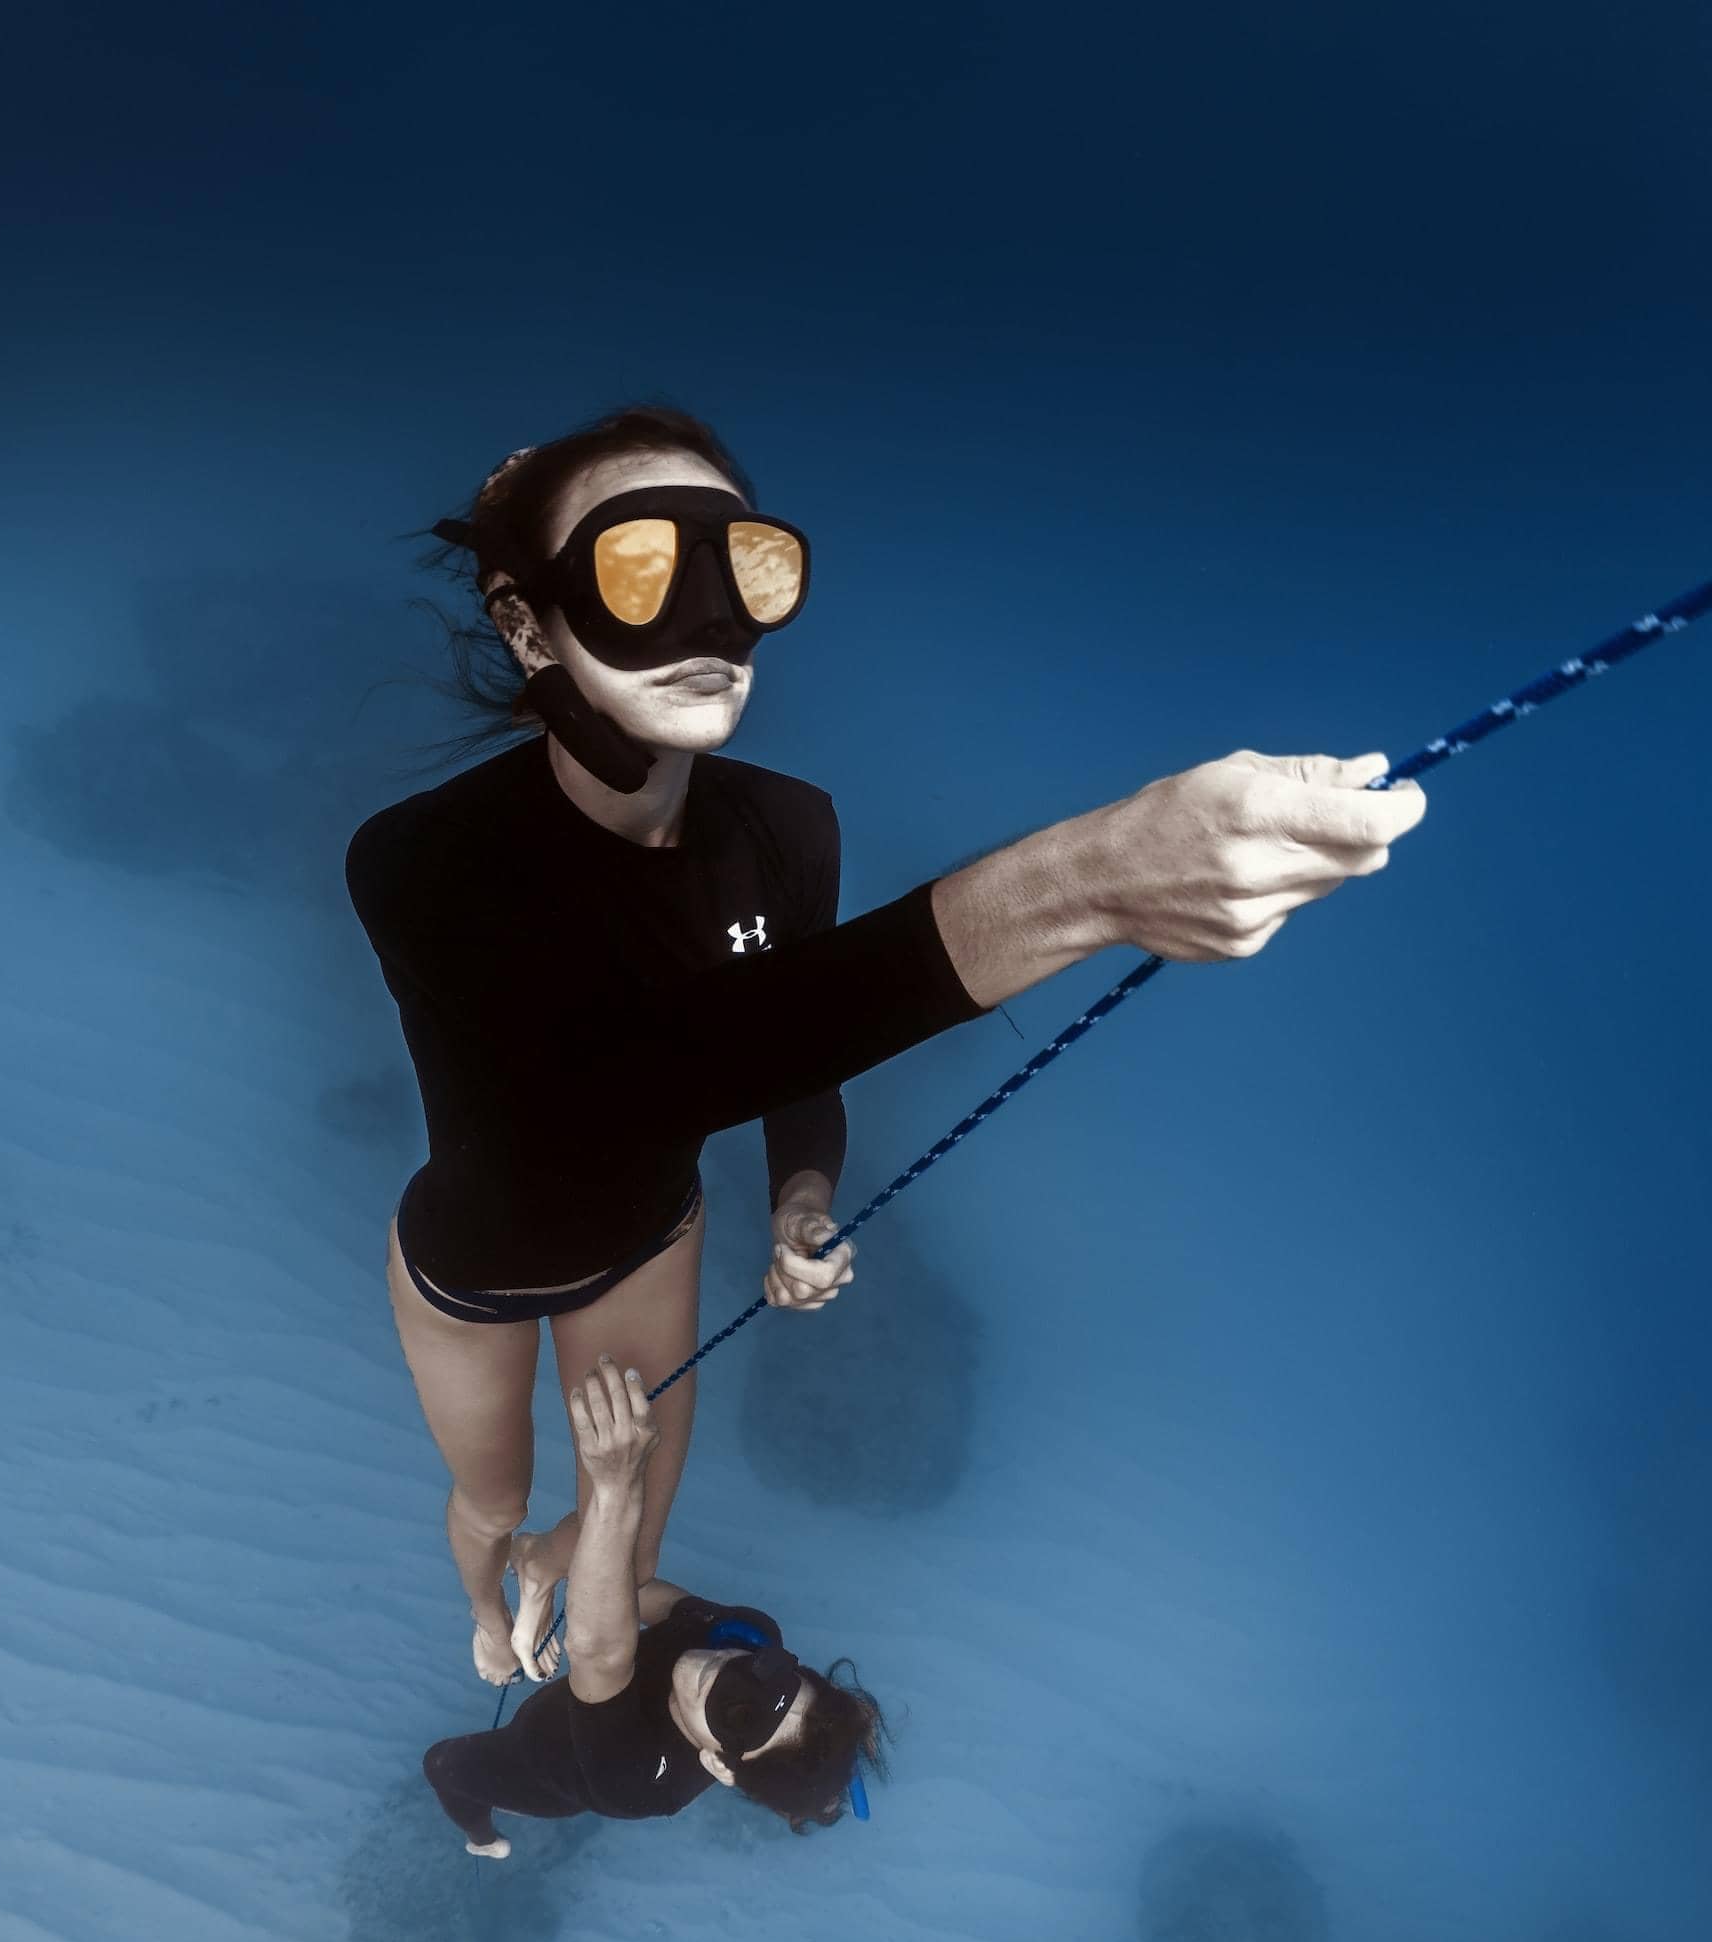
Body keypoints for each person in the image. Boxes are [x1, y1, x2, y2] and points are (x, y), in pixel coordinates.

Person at [348, 401, 1426, 1692]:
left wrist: (800, 1197)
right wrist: (1083, 882)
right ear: (530, 627)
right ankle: (485, 1603)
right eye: (639, 570)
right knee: (492, 1496)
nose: (708, 620)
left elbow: (795, 1057)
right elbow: (624, 1081)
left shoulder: (791, 829)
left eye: (744, 568)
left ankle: (540, 1566)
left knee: (622, 1550)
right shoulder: (421, 863)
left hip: (650, 1240)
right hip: (473, 1266)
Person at [422, 1355, 886, 1857]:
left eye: (740, 1715)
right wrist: (550, 1571)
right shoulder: (746, 1634)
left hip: (542, 1768)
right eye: (769, 1674)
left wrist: (616, 1488)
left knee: (443, 1767)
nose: (727, 1669)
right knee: (626, 1556)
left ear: (719, 1765)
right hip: (558, 1704)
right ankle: (539, 1564)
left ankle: (482, 1841)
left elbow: (598, 1651)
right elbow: (637, 1589)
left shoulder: (640, 1782)